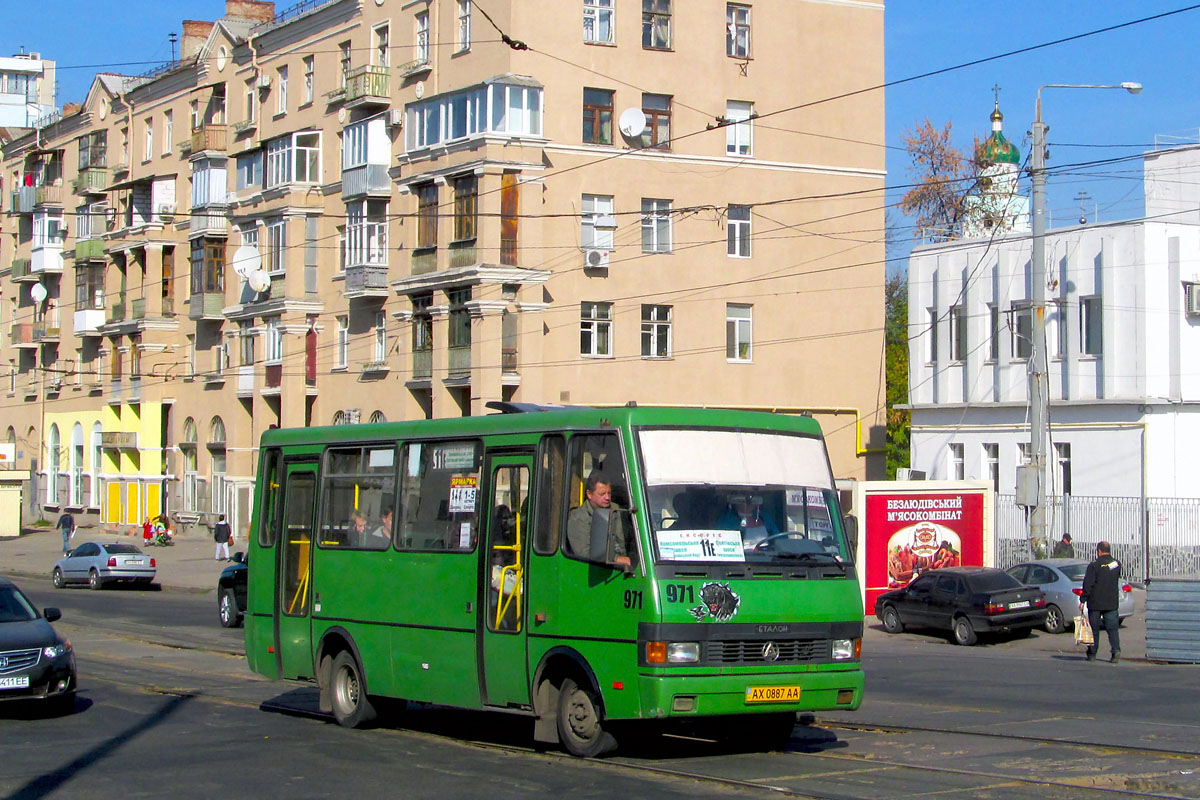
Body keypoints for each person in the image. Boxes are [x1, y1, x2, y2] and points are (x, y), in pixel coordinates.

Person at [566, 471, 630, 566]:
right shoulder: (578, 518)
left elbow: (629, 540)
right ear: (589, 494)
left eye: (609, 493)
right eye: (602, 494)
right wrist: (618, 559)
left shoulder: (616, 510)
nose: (607, 497)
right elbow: (585, 554)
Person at [1080, 540, 1122, 663]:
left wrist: (1083, 599)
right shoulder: (1116, 564)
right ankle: (1116, 651)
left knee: (1094, 630)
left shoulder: (1094, 565)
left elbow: (1088, 584)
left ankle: (1092, 654)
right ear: (1109, 551)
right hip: (1111, 602)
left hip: (1096, 603)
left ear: (1098, 551)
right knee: (1112, 629)